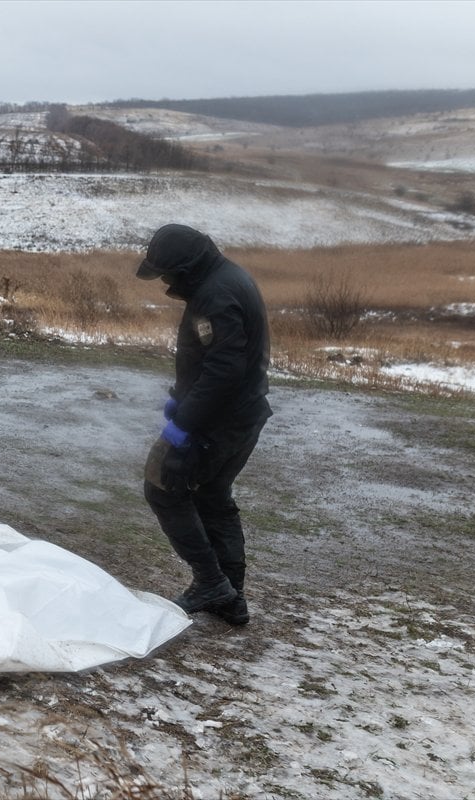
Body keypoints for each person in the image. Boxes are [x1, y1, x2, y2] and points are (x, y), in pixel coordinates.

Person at [137, 223, 272, 626]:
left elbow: (223, 371)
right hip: (241, 416)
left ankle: (211, 582)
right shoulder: (225, 279)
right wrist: (182, 396)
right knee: (213, 496)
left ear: (187, 267)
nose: (165, 282)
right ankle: (231, 597)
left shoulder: (215, 294)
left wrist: (184, 422)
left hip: (220, 424)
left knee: (161, 486)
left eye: (167, 273)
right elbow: (219, 364)